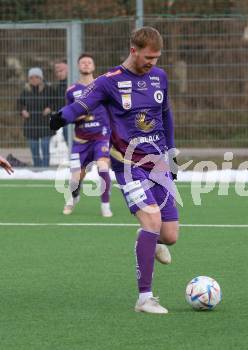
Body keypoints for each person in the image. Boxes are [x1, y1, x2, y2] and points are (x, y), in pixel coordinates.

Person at [50, 27, 178, 314]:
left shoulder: (160, 77)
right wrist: (61, 118)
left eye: (157, 58)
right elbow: (82, 104)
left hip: (158, 164)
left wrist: (172, 155)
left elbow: (166, 116)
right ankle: (144, 298)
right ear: (133, 50)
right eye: (148, 57)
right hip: (129, 165)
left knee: (169, 235)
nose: (152, 63)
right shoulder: (109, 82)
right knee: (152, 221)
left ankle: (146, 238)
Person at [63, 53, 113, 217]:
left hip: (101, 136)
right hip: (80, 140)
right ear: (78, 66)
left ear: (93, 66)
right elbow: (67, 115)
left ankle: (105, 205)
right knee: (76, 177)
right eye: (82, 62)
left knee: (103, 167)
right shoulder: (71, 91)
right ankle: (73, 197)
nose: (85, 64)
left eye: (89, 62)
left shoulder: (103, 87)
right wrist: (78, 116)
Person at [17, 67, 54, 167]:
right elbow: (19, 104)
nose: (34, 79)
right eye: (31, 77)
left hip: (45, 123)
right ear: (28, 79)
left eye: (37, 77)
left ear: (41, 78)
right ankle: (37, 169)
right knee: (34, 147)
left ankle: (45, 169)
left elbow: (55, 101)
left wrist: (50, 108)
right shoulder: (25, 90)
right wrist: (22, 111)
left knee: (45, 146)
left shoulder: (48, 89)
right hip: (31, 123)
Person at [53, 59, 69, 143]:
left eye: (61, 70)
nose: (59, 73)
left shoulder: (74, 84)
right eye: (57, 71)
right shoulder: (59, 87)